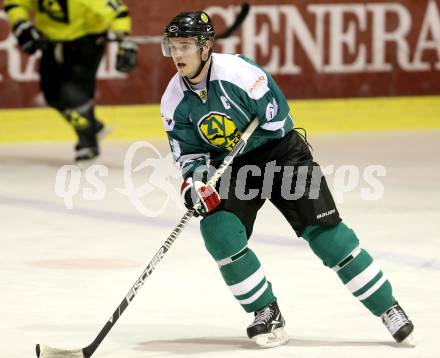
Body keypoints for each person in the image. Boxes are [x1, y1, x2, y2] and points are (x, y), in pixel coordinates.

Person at [160, 11, 415, 348]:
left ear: (206, 47)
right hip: (235, 168)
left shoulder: (239, 73)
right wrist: (196, 181)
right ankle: (265, 311)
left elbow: (279, 117)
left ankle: (388, 307)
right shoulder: (174, 99)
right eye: (172, 46)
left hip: (281, 154)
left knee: (327, 235)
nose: (177, 54)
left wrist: (249, 136)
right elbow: (190, 154)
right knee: (218, 229)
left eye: (186, 45)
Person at [4, 0, 138, 162]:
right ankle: (92, 126)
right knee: (51, 95)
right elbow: (16, 2)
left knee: (73, 92)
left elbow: (118, 12)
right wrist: (20, 23)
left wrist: (124, 39)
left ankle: (88, 144)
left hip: (86, 40)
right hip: (51, 40)